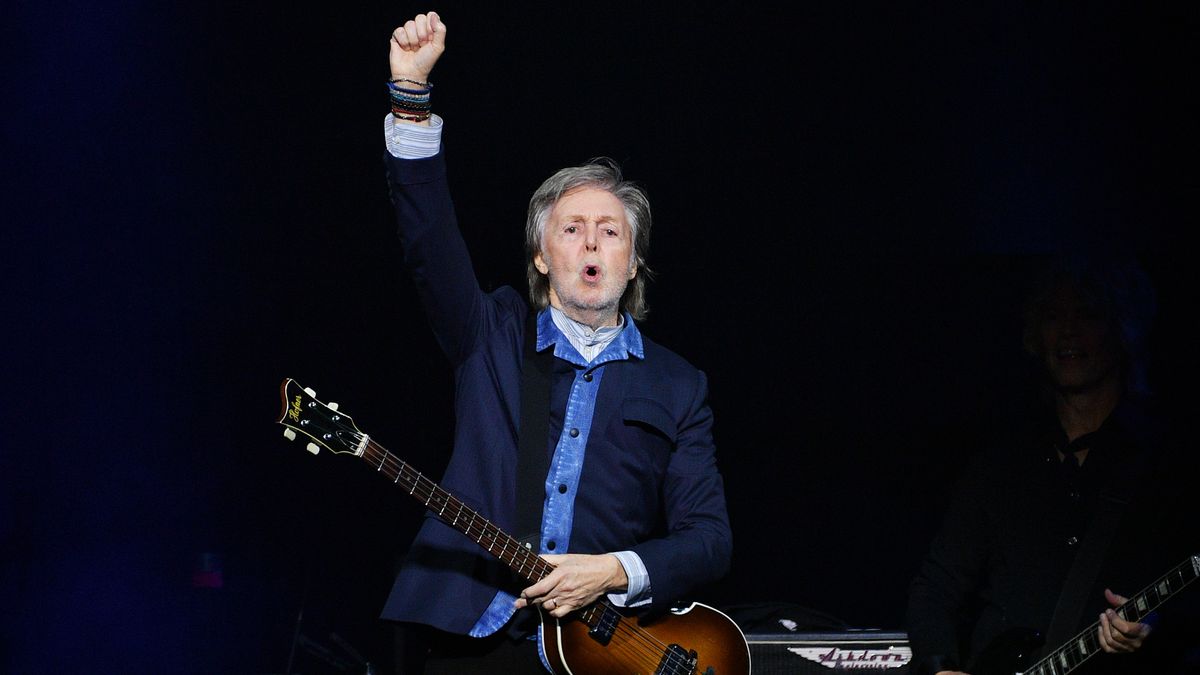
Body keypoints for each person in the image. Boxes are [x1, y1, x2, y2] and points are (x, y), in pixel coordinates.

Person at [376, 11, 734, 674]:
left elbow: (709, 539)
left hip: (600, 653)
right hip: (477, 641)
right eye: (571, 228)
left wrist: (609, 572)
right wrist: (411, 98)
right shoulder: (494, 335)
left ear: (634, 263)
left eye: (611, 231)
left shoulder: (679, 385)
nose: (592, 241)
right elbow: (429, 242)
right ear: (541, 256)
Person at [905, 254, 1198, 675]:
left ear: (1122, 329)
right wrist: (941, 667)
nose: (1068, 331)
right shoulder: (999, 465)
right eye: (1053, 315)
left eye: (1088, 314)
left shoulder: (1168, 463)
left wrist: (1156, 626)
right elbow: (935, 588)